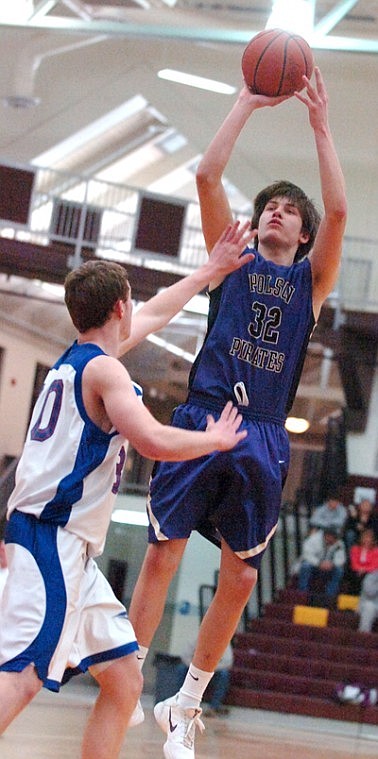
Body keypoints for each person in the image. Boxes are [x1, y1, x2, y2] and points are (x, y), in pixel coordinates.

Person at [128, 66, 347, 758]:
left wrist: (319, 124)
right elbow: (204, 173)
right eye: (269, 206)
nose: (276, 211)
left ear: (304, 232)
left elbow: (340, 211)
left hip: (261, 436)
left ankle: (186, 701)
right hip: (203, 416)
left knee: (245, 575)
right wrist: (246, 101)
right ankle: (124, 677)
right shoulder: (233, 261)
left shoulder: (308, 281)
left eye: (289, 208)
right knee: (161, 552)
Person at [0, 220, 254, 759]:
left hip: (74, 552)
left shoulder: (85, 361)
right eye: (133, 301)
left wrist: (212, 270)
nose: (140, 307)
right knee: (21, 677)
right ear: (120, 307)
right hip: (51, 540)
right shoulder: (105, 374)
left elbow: (161, 307)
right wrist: (211, 440)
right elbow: (152, 440)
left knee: (124, 679)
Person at [296, 526, 346, 601]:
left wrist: (332, 564)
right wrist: (319, 563)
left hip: (329, 567)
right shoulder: (314, 539)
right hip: (314, 565)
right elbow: (306, 554)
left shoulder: (339, 543)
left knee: (339, 571)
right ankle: (303, 594)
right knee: (305, 566)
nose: (331, 539)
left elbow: (341, 558)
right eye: (330, 536)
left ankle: (329, 596)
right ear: (325, 535)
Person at [347, 528, 378, 594]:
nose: (367, 540)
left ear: (373, 540)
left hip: (370, 572)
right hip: (357, 571)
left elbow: (375, 565)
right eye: (365, 537)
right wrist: (359, 569)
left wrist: (364, 569)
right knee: (352, 574)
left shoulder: (376, 551)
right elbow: (354, 563)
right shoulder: (355, 549)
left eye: (369, 538)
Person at [358, 569, 378, 633]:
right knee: (369, 606)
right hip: (369, 604)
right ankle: (363, 634)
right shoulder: (372, 575)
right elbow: (369, 592)